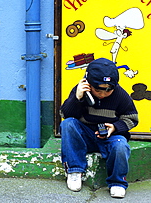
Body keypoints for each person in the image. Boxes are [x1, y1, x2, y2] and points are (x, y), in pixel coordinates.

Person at [59, 58, 138, 198]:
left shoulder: (120, 95)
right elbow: (65, 114)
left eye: (108, 90)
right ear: (88, 83)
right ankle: (75, 171)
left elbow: (132, 118)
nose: (103, 94)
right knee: (68, 124)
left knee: (121, 146)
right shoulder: (80, 91)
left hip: (110, 136)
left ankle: (117, 182)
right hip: (86, 135)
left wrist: (115, 127)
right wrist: (77, 98)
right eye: (98, 90)